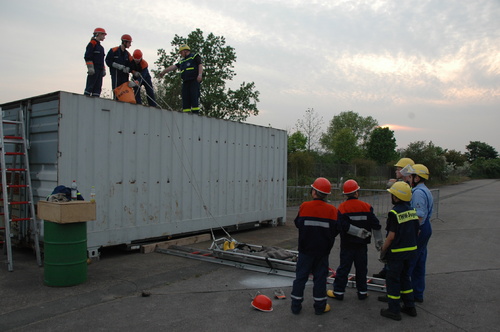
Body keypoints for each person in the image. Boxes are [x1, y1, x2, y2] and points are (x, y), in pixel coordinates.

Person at [290, 177, 337, 315]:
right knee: (320, 279)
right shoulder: (332, 210)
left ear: (314, 192)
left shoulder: (304, 206)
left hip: (305, 250)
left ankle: (296, 307)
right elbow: (335, 230)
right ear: (327, 194)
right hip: (322, 252)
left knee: (300, 278)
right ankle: (320, 307)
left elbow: (298, 223)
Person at [329, 179, 382, 301]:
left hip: (347, 244)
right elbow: (376, 225)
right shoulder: (367, 207)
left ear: (345, 194)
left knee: (344, 268)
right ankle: (362, 292)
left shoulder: (342, 208)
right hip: (362, 245)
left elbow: (341, 226)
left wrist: (329, 238)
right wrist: (379, 243)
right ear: (357, 192)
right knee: (362, 268)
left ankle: (338, 292)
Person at [378, 181, 419, 321]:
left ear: (396, 197)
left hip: (397, 253)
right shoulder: (413, 212)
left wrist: (383, 251)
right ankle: (410, 306)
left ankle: (394, 310)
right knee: (404, 278)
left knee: (393, 280)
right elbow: (417, 231)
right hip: (411, 252)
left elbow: (391, 236)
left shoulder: (394, 213)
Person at [374, 157, 415, 279]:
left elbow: (392, 236)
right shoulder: (403, 185)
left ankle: (392, 282)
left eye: (398, 169)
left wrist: (383, 249)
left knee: (396, 266)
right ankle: (386, 271)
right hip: (406, 233)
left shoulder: (406, 188)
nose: (396, 171)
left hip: (400, 232)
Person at [407, 164, 434, 303]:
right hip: (426, 227)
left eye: (411, 176)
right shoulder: (425, 190)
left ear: (417, 178)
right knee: (420, 261)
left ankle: (405, 294)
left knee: (411, 260)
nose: (409, 179)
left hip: (420, 228)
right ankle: (418, 293)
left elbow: (419, 216)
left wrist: (414, 232)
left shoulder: (417, 192)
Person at [159, 44, 203, 114]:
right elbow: (174, 67)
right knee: (185, 99)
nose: (181, 54)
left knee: (194, 98)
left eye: (181, 52)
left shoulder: (194, 56)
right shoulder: (182, 61)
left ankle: (195, 114)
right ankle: (186, 114)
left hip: (193, 81)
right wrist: (164, 71)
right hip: (185, 82)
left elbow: (200, 64)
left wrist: (200, 75)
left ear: (185, 51)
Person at [84, 28, 107, 97]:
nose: (104, 37)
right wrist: (90, 67)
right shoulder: (92, 44)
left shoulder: (101, 47)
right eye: (103, 35)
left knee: (97, 88)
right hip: (94, 69)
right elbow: (88, 56)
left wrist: (103, 69)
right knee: (90, 87)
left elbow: (102, 60)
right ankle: (85, 101)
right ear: (98, 34)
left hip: (99, 70)